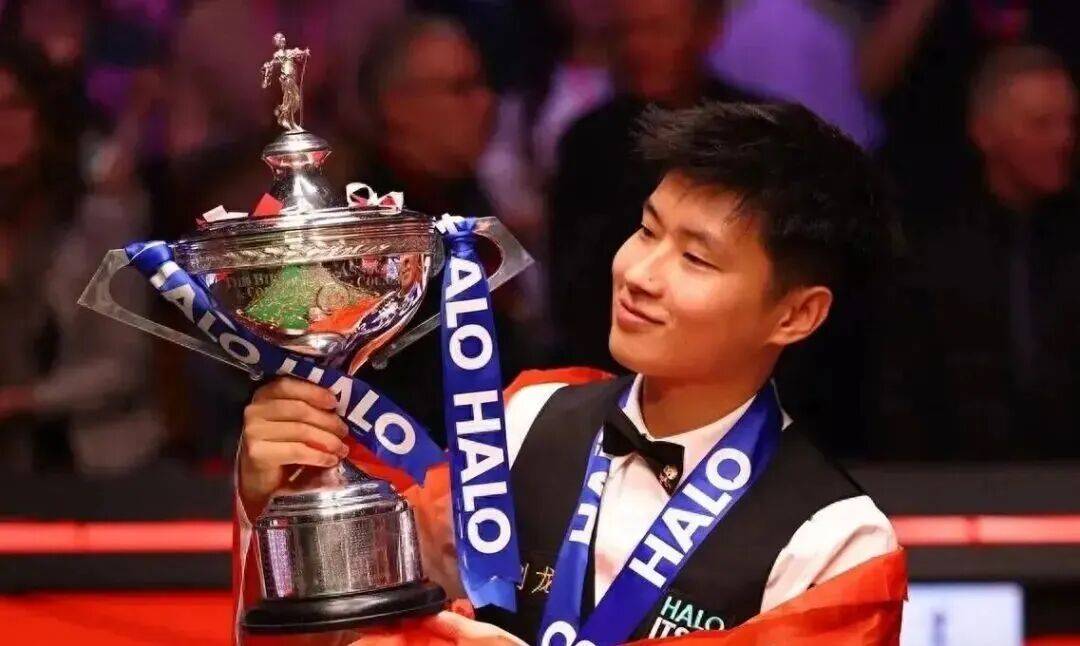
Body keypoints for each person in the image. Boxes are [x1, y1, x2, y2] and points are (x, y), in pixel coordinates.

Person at [235, 101, 902, 643]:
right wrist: (278, 503)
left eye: (695, 259)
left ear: (796, 314)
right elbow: (351, 626)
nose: (639, 274)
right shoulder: (523, 420)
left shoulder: (835, 542)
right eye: (647, 231)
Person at [877, 46, 1080, 459]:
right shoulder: (930, 251)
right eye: (1041, 124)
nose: (1064, 140)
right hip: (952, 478)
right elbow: (899, 392)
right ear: (984, 132)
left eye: (1070, 123)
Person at [549, 0, 754, 372]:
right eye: (625, 31)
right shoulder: (587, 141)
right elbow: (567, 289)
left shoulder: (753, 136)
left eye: (657, 29)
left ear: (707, 30)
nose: (638, 47)